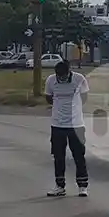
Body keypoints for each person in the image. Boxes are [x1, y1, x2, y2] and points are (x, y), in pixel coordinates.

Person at [45, 60, 90, 196]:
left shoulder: (79, 79)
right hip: (57, 124)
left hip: (76, 124)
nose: (61, 79)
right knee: (58, 156)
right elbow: (48, 97)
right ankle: (60, 186)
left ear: (69, 72)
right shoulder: (51, 80)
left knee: (79, 156)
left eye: (64, 76)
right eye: (59, 76)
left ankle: (82, 186)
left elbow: (84, 97)